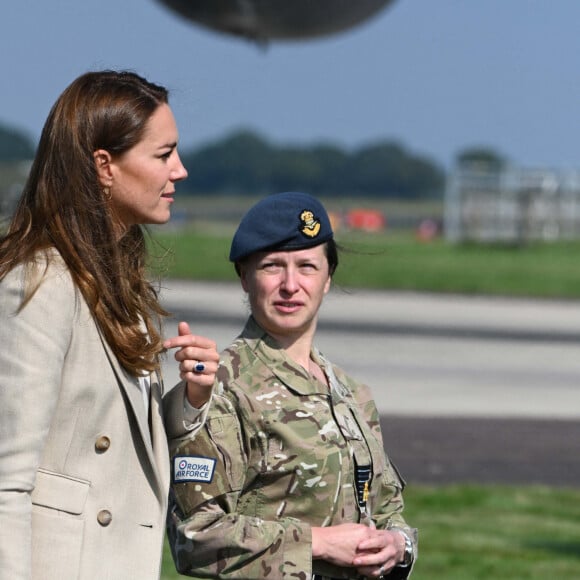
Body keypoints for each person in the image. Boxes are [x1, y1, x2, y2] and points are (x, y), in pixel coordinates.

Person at [0, 70, 219, 580]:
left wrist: (189, 400)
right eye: (163, 155)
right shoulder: (39, 283)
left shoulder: (116, 281)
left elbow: (114, 441)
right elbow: (6, 480)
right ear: (104, 166)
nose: (180, 171)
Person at [167, 191, 418, 579]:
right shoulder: (219, 391)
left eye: (306, 266)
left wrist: (398, 544)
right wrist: (319, 542)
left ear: (328, 279)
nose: (290, 285)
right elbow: (195, 537)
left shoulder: (353, 395)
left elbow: (386, 510)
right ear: (244, 276)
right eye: (271, 266)